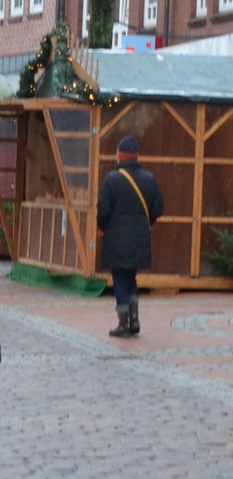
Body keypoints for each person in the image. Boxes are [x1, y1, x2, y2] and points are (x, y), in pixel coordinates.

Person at [97, 135, 163, 337]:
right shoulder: (149, 178)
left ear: (120, 155)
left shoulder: (112, 179)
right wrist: (145, 224)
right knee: (131, 277)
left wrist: (102, 227)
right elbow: (158, 208)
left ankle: (123, 323)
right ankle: (134, 319)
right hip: (140, 238)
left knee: (120, 279)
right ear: (136, 156)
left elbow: (104, 209)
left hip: (116, 238)